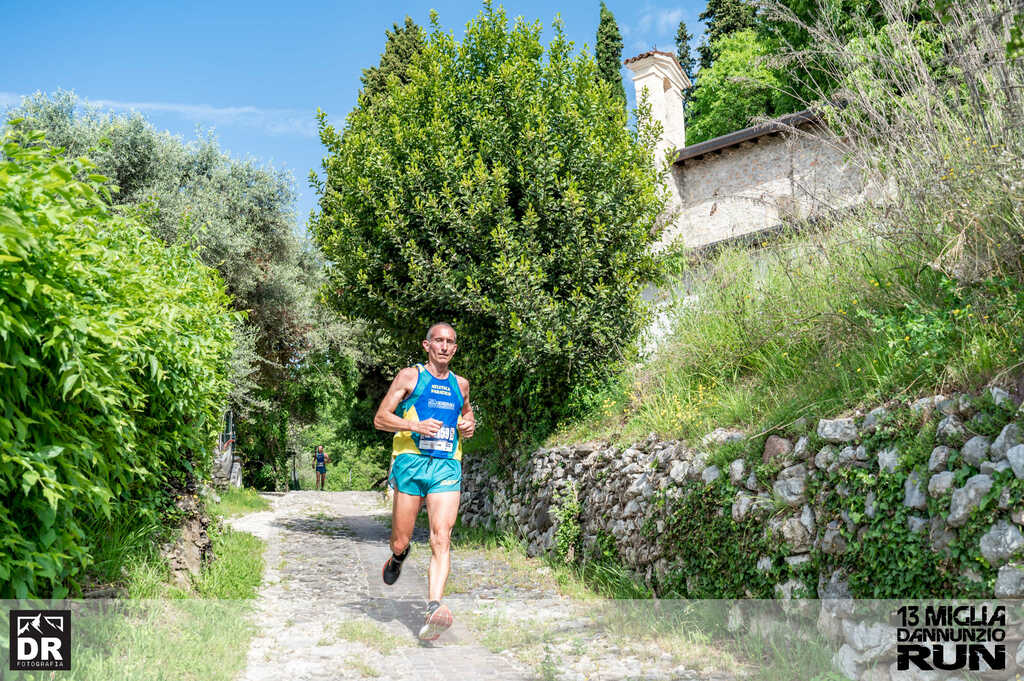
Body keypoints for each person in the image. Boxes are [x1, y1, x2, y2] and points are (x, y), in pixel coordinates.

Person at [373, 322, 476, 641]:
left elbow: (467, 414)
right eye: (438, 341)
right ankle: (398, 557)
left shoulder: (461, 385)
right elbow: (380, 419)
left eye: (450, 342)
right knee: (400, 540)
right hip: (411, 464)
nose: (444, 346)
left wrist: (468, 425)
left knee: (441, 538)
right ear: (426, 345)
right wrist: (414, 426)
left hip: (446, 465)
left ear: (455, 348)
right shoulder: (410, 377)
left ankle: (433, 608)